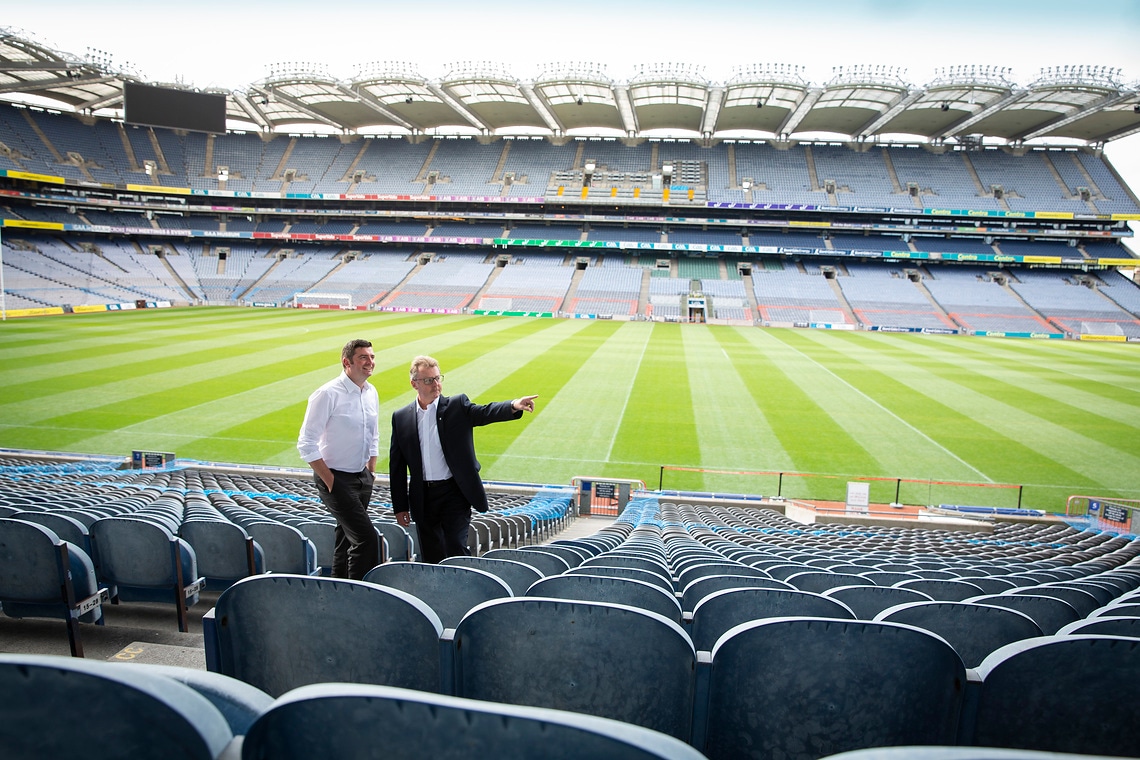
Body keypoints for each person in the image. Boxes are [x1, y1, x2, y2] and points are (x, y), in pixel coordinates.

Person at [389, 355, 537, 564]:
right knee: (431, 555)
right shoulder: (401, 417)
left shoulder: (457, 406)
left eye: (438, 378)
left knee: (456, 547)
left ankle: (462, 587)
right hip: (423, 498)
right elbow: (397, 466)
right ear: (414, 384)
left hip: (454, 494)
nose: (436, 384)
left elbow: (485, 412)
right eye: (429, 380)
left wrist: (514, 404)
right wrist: (400, 506)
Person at [297, 338, 381, 580]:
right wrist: (331, 481)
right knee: (366, 539)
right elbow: (306, 443)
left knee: (345, 539)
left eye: (372, 357)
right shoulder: (327, 394)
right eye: (363, 357)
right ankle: (357, 595)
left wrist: (371, 471)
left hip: (362, 477)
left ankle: (338, 589)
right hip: (337, 478)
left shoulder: (371, 392)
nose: (370, 362)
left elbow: (373, 434)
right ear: (347, 362)